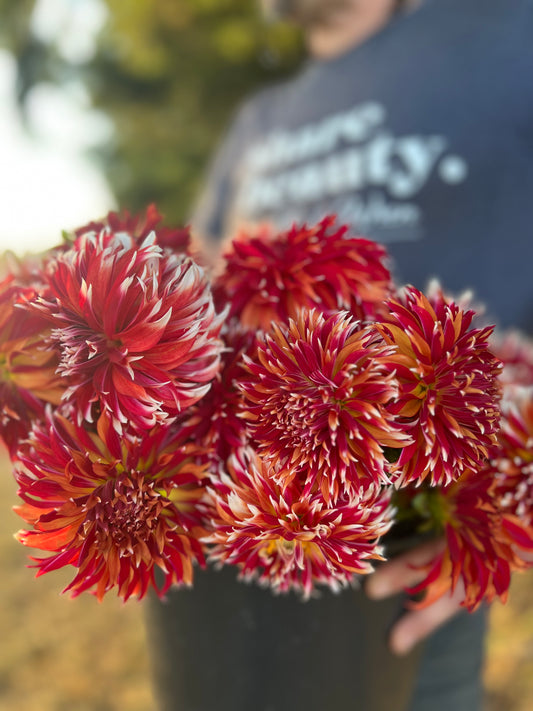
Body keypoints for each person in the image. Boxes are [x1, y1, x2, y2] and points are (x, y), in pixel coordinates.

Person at [146, 1, 533, 709]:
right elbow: (196, 288)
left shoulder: (507, 34)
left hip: (414, 551)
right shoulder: (258, 118)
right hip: (221, 567)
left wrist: (513, 484)